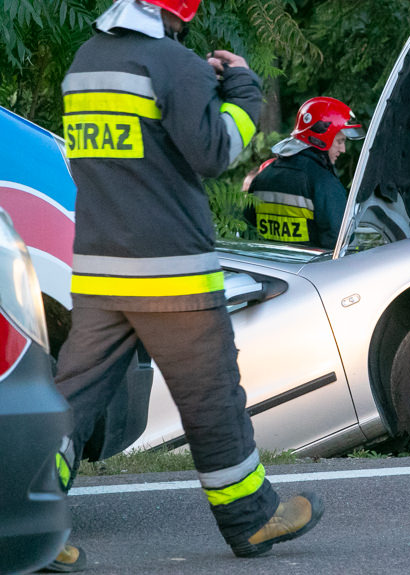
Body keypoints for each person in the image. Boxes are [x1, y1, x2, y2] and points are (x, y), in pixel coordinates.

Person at [46, 0, 322, 570]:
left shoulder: (84, 62)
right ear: (181, 12)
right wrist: (242, 88)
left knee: (69, 402)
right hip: (170, 274)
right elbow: (216, 151)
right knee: (212, 397)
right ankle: (251, 520)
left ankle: (29, 527)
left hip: (100, 271)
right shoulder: (173, 64)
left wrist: (192, 78)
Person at [247, 96, 365, 249]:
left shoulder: (262, 177)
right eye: (340, 141)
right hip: (310, 272)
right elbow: (340, 243)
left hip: (268, 270)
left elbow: (247, 233)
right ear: (322, 138)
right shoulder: (324, 182)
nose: (343, 150)